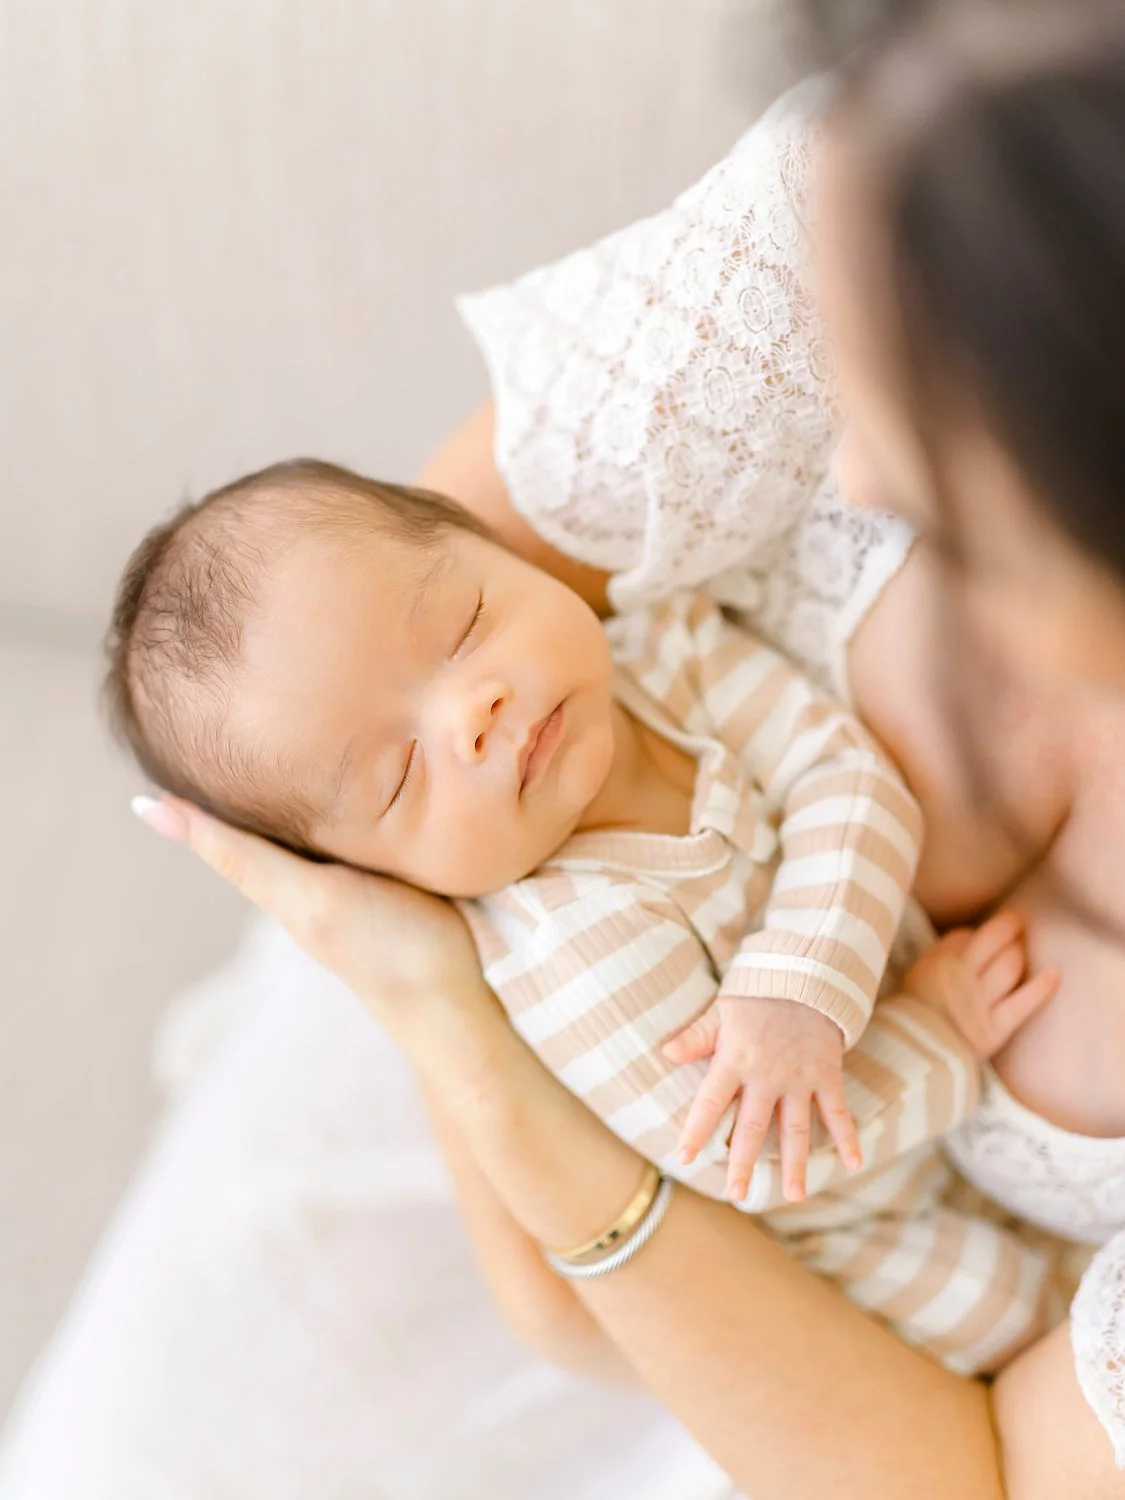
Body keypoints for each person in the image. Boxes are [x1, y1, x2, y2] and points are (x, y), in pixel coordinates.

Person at [3, 2, 1123, 1495]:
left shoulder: (614, 674)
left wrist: (817, 1026)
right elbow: (367, 592)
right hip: (465, 1003)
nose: (842, 463)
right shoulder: (912, 151)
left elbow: (975, 1474)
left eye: (910, 388)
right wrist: (445, 1004)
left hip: (866, 1303)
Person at [107, 455, 1056, 1370]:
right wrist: (938, 1032)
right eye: (399, 776)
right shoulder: (562, 946)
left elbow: (846, 776)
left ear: (499, 549)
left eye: (462, 624)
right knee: (999, 1310)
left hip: (935, 1012)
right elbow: (754, 1157)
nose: (470, 711)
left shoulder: (668, 650)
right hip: (854, 1217)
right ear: (378, 877)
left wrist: (802, 985)